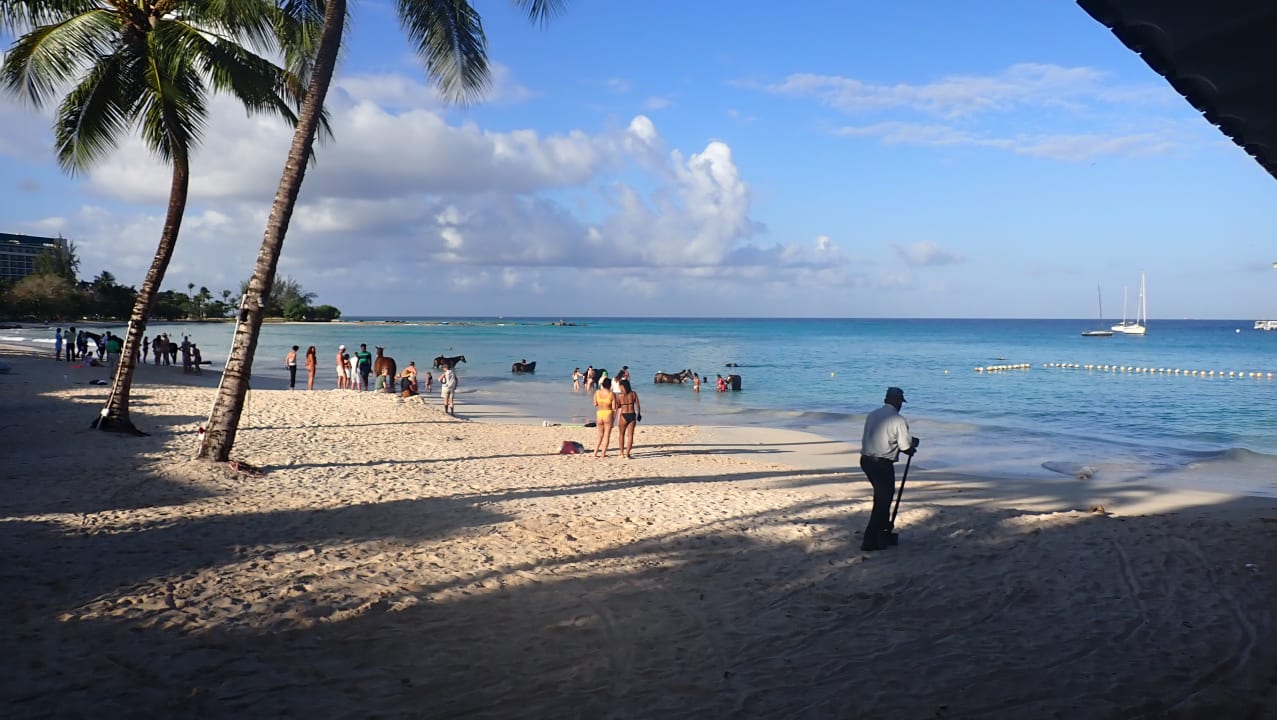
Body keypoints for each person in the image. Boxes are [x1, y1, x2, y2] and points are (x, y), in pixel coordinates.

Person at [858, 387, 917, 552]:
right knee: (883, 501)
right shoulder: (898, 420)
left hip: (866, 461)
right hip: (881, 464)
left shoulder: (873, 414)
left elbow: (876, 437)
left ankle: (883, 530)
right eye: (900, 402)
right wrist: (911, 447)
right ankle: (870, 540)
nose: (901, 405)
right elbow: (905, 445)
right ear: (897, 401)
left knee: (883, 497)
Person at [615, 378, 641, 459]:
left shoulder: (619, 396)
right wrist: (639, 414)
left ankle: (621, 453)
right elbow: (638, 405)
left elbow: (618, 406)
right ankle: (628, 454)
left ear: (622, 386)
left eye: (620, 386)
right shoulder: (633, 394)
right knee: (630, 435)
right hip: (632, 415)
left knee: (621, 434)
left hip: (623, 415)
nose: (619, 388)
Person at [592, 377, 618, 458]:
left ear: (602, 384)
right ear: (610, 385)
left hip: (599, 413)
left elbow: (595, 404)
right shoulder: (612, 394)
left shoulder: (597, 392)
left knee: (599, 434)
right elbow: (614, 408)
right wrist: (614, 419)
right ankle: (603, 454)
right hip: (608, 413)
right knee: (606, 435)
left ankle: (595, 453)